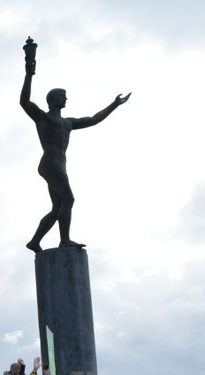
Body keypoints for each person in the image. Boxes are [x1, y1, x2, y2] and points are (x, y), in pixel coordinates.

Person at [20, 38, 129, 252]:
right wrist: (29, 74)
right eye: (62, 96)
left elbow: (94, 119)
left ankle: (34, 241)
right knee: (69, 199)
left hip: (59, 165)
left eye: (66, 96)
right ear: (52, 99)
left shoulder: (68, 123)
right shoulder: (43, 118)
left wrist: (114, 104)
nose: (66, 99)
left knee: (58, 206)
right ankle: (64, 240)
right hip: (50, 163)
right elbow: (24, 102)